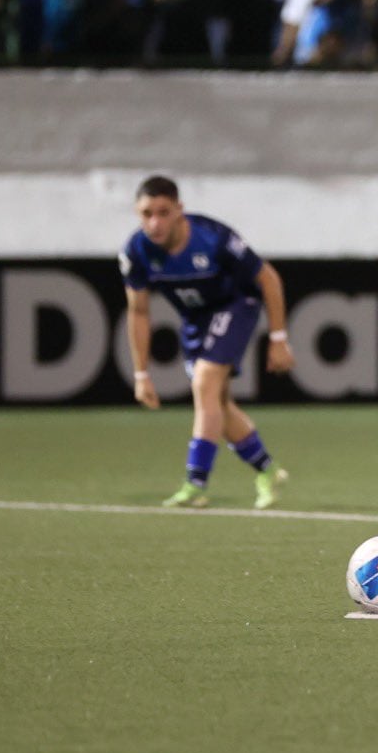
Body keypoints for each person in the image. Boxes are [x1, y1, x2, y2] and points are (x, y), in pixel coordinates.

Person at [120, 176, 293, 509]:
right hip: (196, 321)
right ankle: (267, 469)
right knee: (218, 402)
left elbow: (268, 279)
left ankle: (195, 483)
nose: (154, 222)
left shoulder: (213, 238)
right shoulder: (136, 251)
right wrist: (141, 374)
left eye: (163, 212)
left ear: (179, 211)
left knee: (204, 383)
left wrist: (278, 338)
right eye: (146, 214)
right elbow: (138, 312)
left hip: (237, 305)